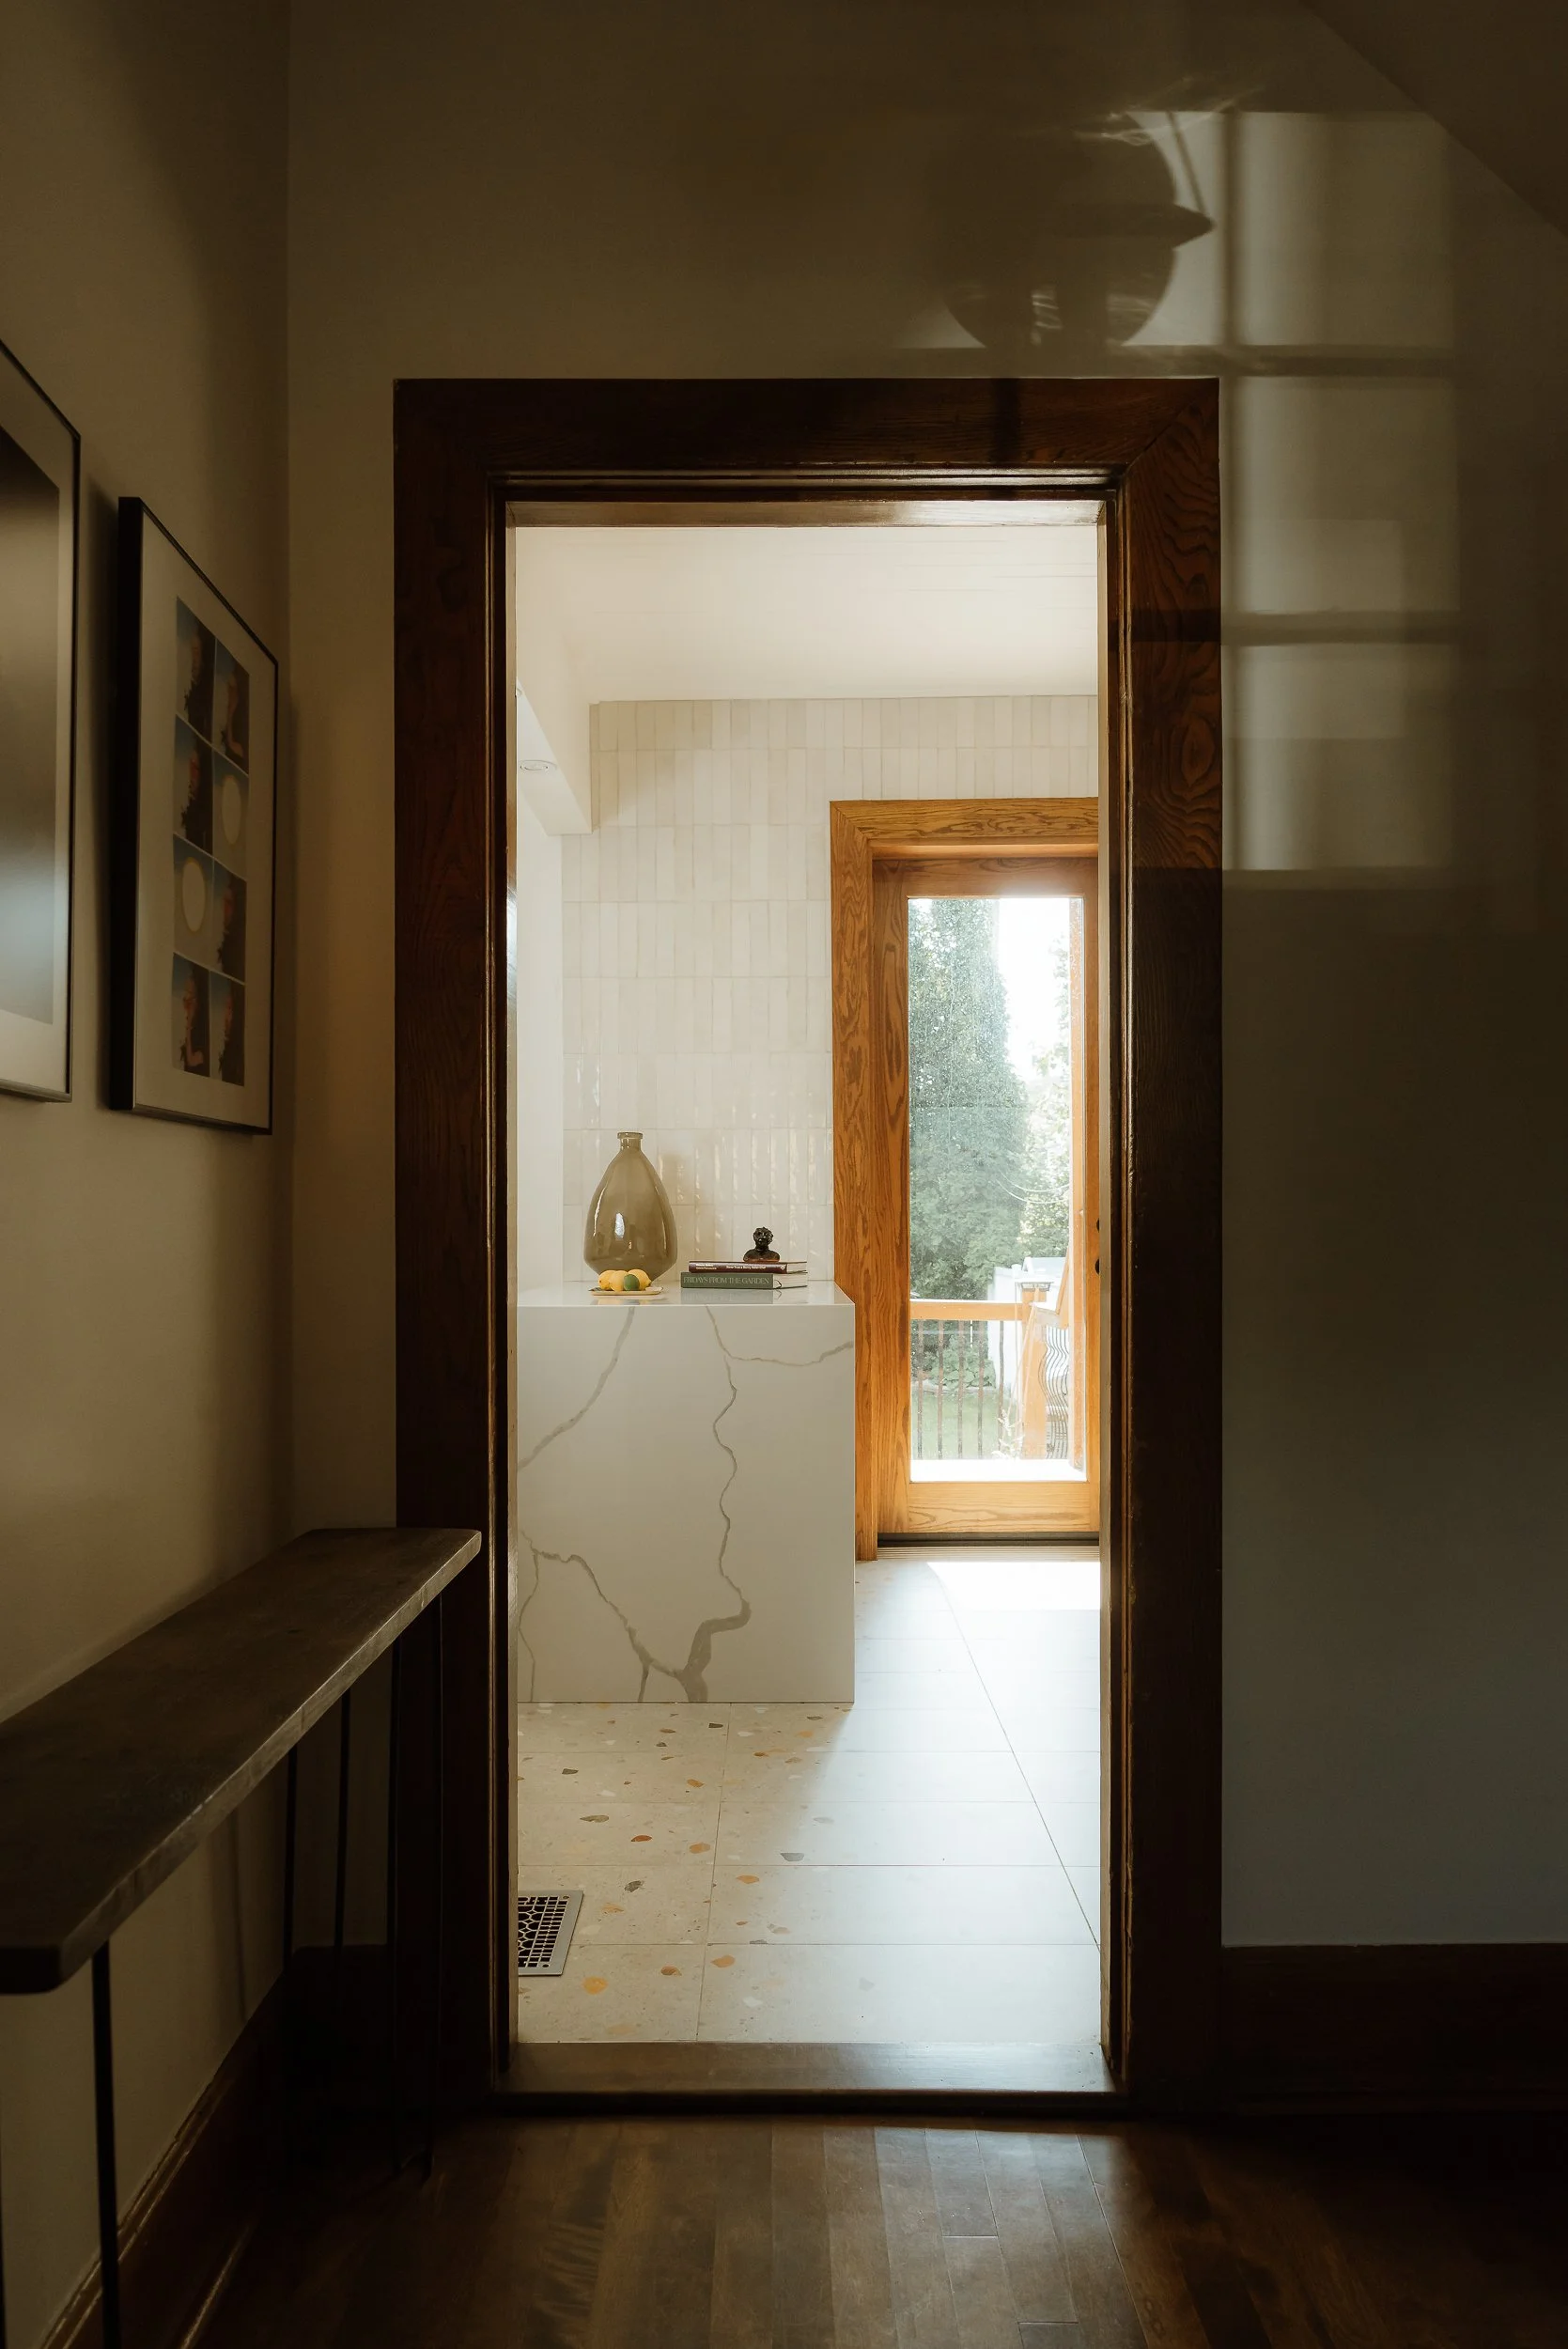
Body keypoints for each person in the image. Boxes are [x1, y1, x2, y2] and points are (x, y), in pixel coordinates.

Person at [178, 968, 206, 1071]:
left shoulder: (200, 1032)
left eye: (189, 993)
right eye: (185, 992)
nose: (185, 998)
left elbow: (191, 1061)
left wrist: (188, 1027)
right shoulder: (184, 1021)